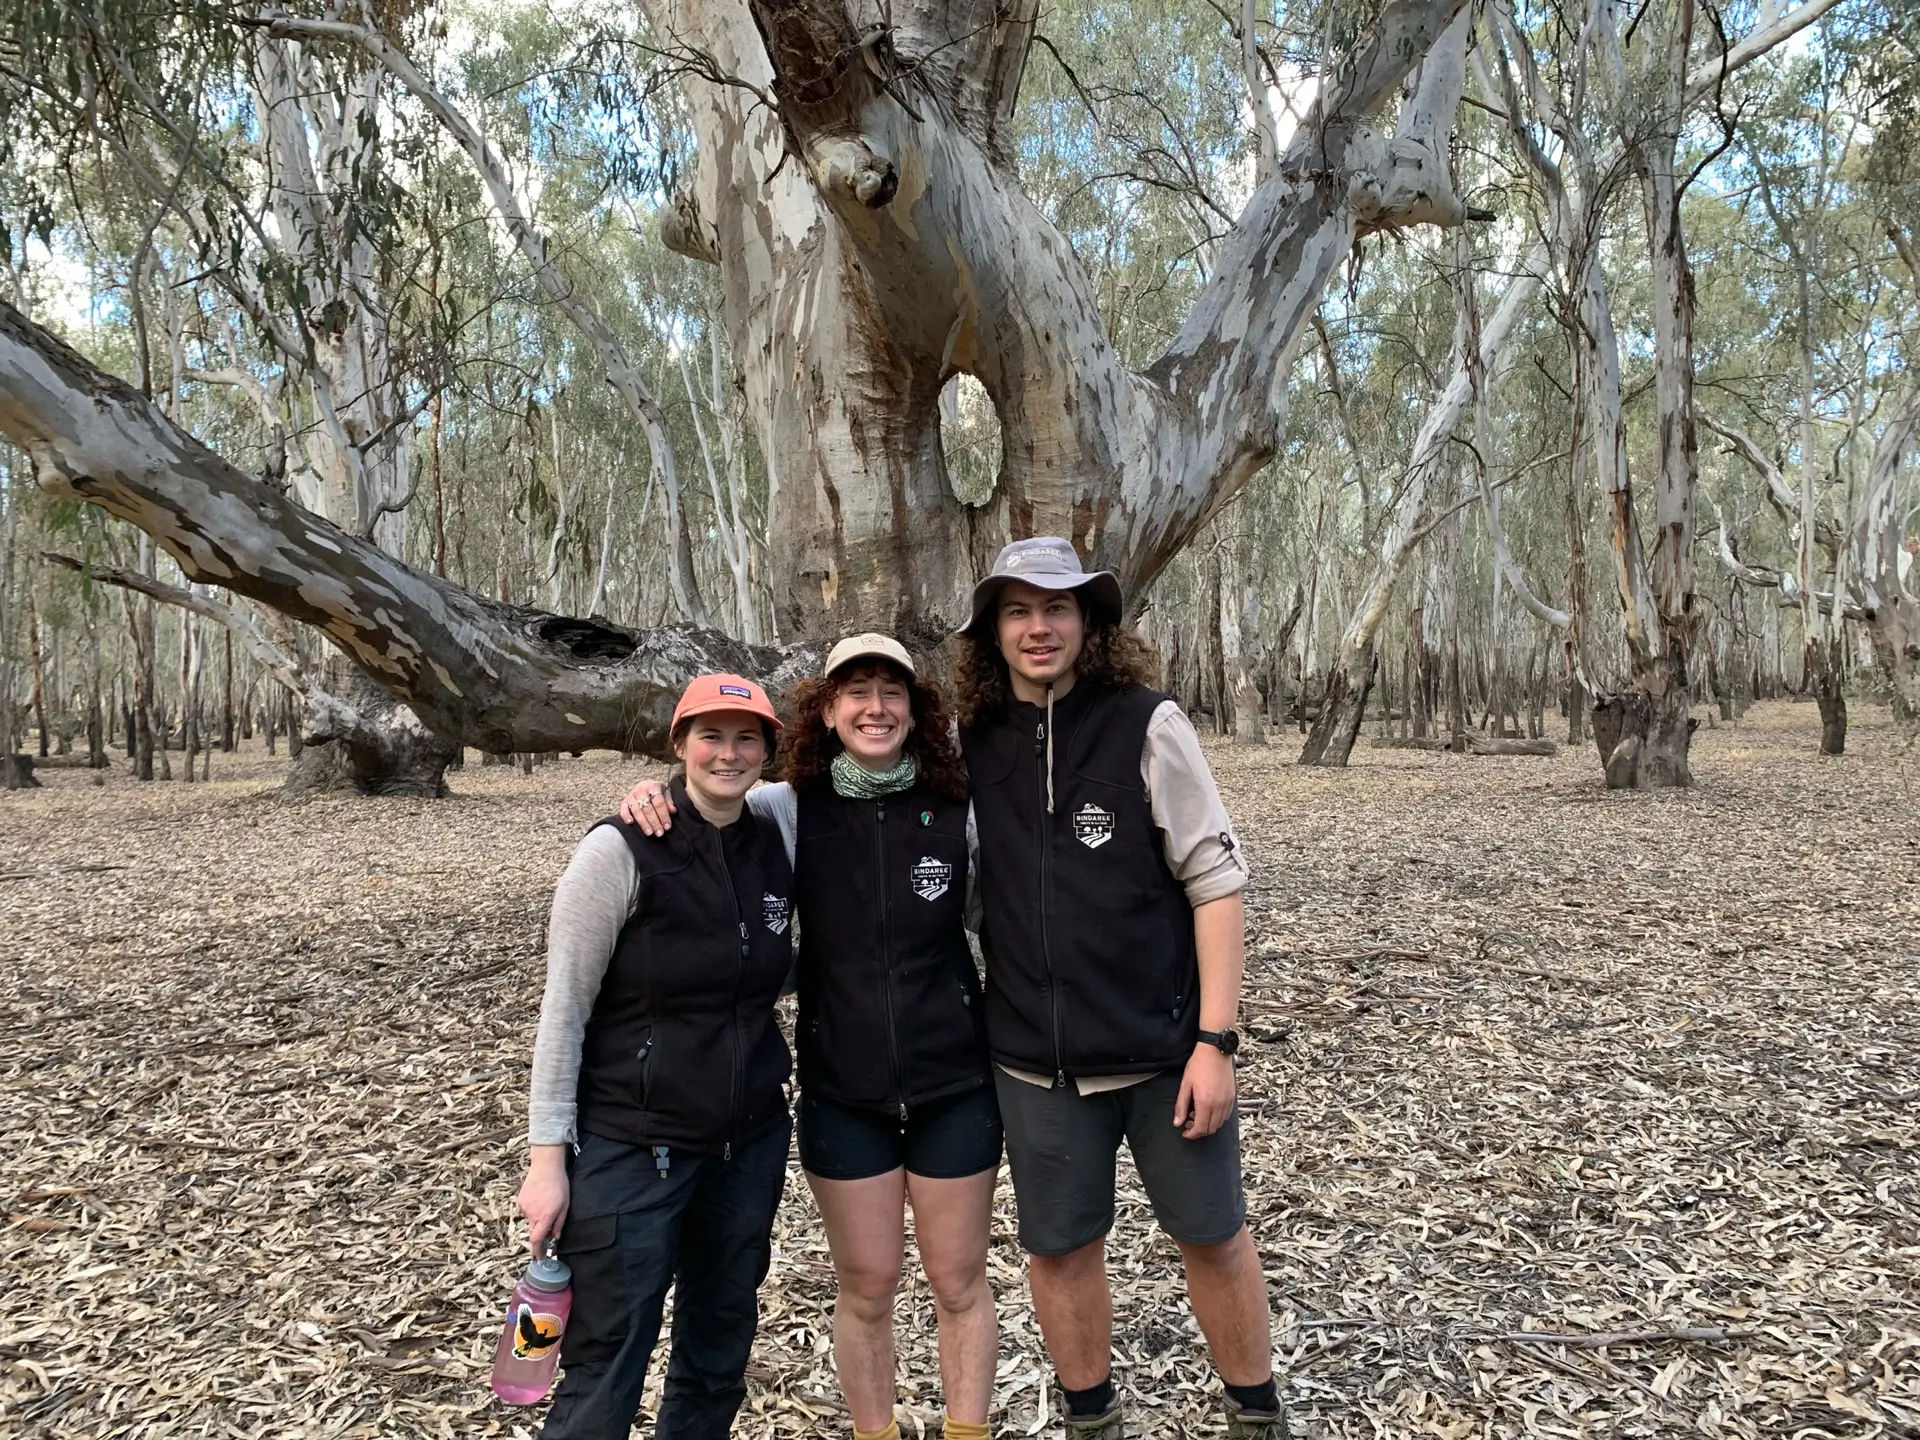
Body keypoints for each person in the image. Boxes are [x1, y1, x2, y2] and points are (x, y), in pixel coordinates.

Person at [619, 635, 999, 1440]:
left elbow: (1001, 926)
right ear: (826, 712)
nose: (874, 706)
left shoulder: (957, 808)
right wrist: (645, 795)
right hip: (843, 1089)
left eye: (890, 690)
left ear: (914, 708)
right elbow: (704, 803)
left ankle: (969, 1429)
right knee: (867, 1284)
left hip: (954, 1084)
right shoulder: (787, 809)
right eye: (854, 690)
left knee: (959, 1281)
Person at [954, 537, 1279, 1439]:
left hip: (1164, 1052)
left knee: (1213, 1235)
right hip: (1033, 1061)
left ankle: (1255, 1411)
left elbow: (1214, 881)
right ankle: (1091, 1416)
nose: (1039, 627)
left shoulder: (1147, 722)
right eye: (1017, 610)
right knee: (1058, 1250)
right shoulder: (968, 741)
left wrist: (1216, 1045)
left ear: (1090, 622)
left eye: (1057, 608)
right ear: (994, 631)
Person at [517, 674, 794, 1440]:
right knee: (608, 1356)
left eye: (747, 738)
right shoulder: (620, 849)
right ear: (679, 746)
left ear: (769, 752)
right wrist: (547, 1163)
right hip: (634, 1146)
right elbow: (564, 1010)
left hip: (747, 1144)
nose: (728, 754)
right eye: (709, 735)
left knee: (718, 1347)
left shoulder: (775, 829)